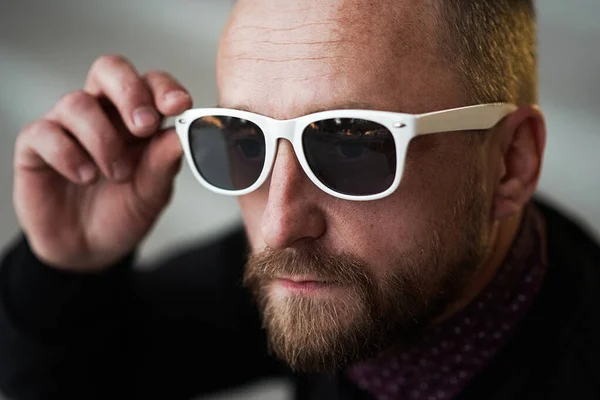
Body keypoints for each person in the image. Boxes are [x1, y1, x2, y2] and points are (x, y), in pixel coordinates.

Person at [0, 0, 599, 399]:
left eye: (351, 144)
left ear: (511, 164)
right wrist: (68, 266)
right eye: (244, 138)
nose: (281, 225)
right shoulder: (322, 274)